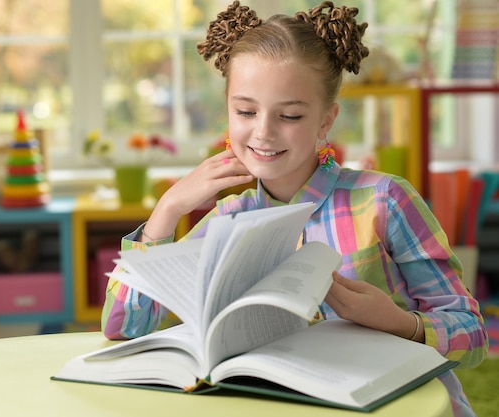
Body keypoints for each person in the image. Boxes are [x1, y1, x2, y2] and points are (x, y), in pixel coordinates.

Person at [101, 2, 488, 416]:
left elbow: (473, 337)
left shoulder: (384, 200)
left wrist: (399, 322)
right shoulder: (228, 219)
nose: (263, 131)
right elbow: (122, 327)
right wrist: (167, 211)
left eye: (289, 115)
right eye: (245, 111)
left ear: (325, 120)